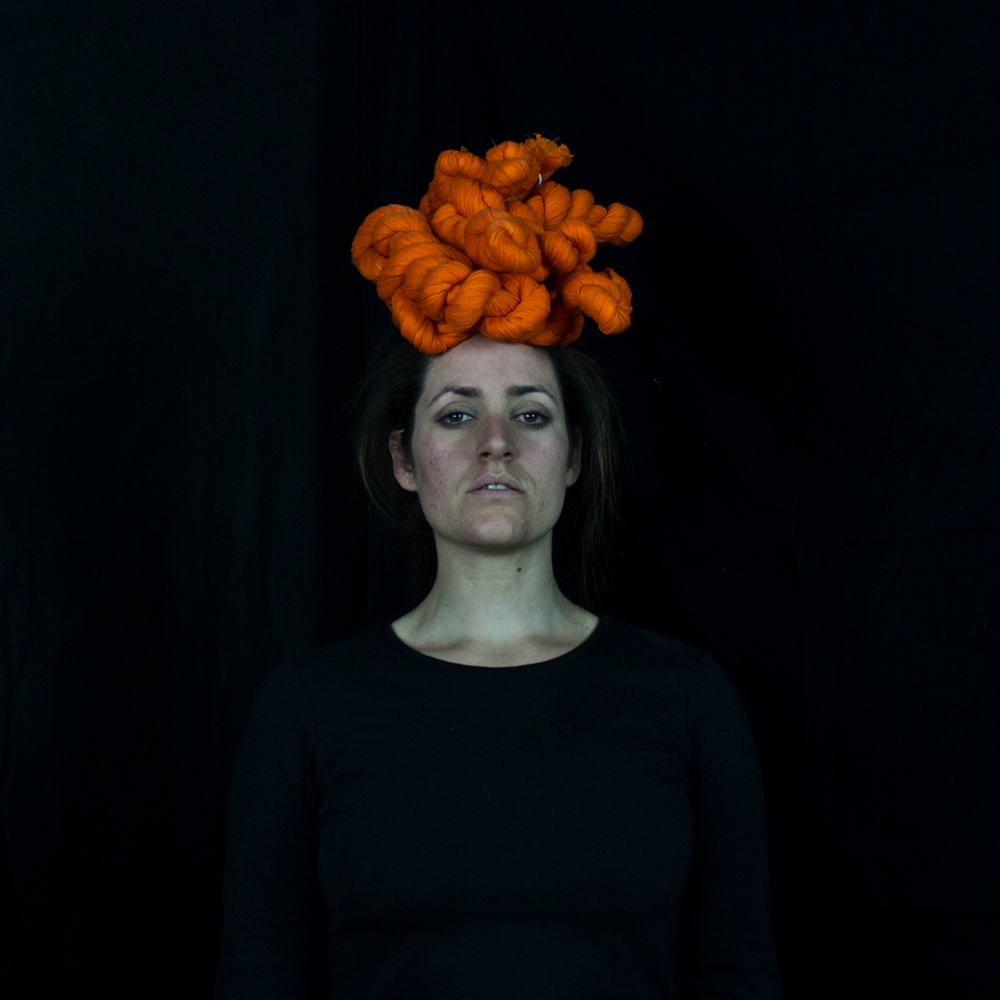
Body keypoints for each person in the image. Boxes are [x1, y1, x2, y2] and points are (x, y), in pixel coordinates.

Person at [216, 136, 781, 999]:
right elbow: (260, 979)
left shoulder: (688, 700)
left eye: (530, 413)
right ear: (404, 460)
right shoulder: (306, 711)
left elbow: (736, 977)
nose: (495, 443)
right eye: (456, 415)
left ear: (574, 456)